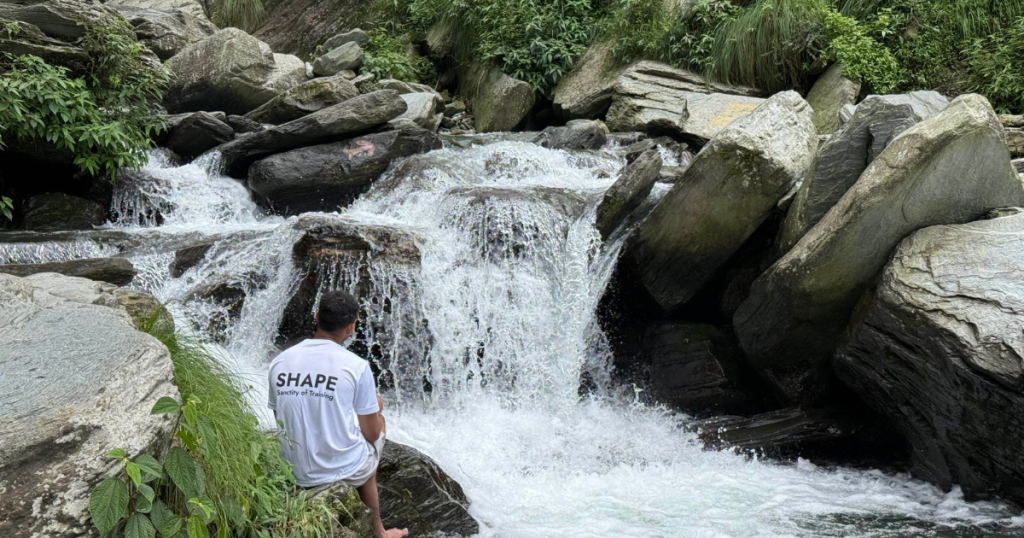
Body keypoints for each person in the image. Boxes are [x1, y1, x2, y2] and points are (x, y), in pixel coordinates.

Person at [268, 290, 408, 538]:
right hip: (339, 469)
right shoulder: (356, 366)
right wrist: (376, 409)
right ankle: (380, 531)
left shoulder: (280, 361)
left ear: (317, 315)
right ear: (351, 327)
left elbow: (281, 417)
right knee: (377, 428)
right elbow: (372, 433)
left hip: (290, 469)